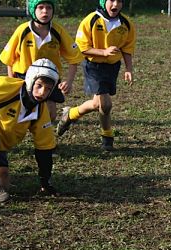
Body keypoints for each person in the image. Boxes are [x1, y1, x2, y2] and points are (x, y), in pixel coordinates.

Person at [55, 0, 136, 152]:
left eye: (119, 1)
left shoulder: (126, 23)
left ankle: (70, 114)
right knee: (105, 104)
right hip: (94, 66)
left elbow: (127, 48)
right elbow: (82, 48)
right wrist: (103, 52)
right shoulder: (91, 20)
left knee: (96, 104)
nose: (115, 4)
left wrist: (129, 69)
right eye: (111, 0)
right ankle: (107, 136)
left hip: (112, 67)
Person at [0, 59, 60, 204]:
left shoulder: (40, 111)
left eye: (48, 89)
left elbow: (44, 150)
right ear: (30, 80)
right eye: (39, 85)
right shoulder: (5, 87)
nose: (42, 92)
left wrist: (45, 183)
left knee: (4, 184)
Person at [0, 0, 84, 121]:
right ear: (33, 11)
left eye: (49, 8)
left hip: (50, 77)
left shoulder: (58, 31)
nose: (45, 11)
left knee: (50, 116)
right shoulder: (22, 31)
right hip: (24, 77)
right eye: (40, 7)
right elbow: (9, 60)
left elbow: (74, 58)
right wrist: (12, 82)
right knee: (21, 116)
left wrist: (69, 82)